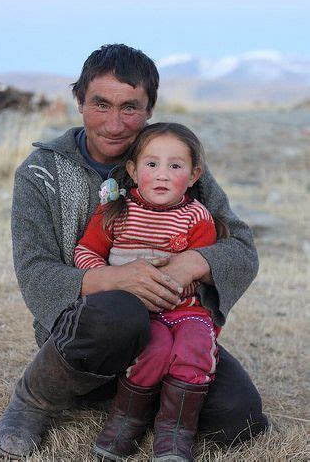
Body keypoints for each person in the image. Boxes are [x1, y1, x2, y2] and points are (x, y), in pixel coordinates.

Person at [0, 44, 267, 459]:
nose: (115, 124)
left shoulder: (173, 163)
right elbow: (35, 272)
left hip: (171, 321)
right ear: (79, 101)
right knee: (120, 311)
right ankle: (35, 400)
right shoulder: (40, 173)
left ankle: (135, 391)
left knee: (238, 417)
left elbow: (242, 248)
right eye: (100, 104)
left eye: (130, 108)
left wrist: (194, 262)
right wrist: (114, 279)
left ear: (150, 109)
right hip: (88, 328)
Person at [74, 122, 226, 461]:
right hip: (137, 311)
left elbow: (206, 266)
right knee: (152, 352)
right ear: (132, 169)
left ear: (194, 174)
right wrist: (110, 277)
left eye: (175, 166)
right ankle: (127, 420)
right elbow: (86, 251)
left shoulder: (197, 217)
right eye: (151, 164)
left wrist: (178, 278)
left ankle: (175, 432)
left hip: (186, 310)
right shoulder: (118, 211)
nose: (161, 174)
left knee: (194, 350)